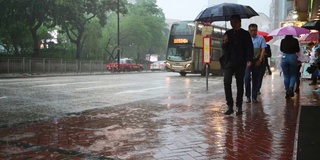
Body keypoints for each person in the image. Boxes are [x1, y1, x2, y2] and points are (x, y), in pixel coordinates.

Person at [221, 15, 254, 115]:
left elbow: (249, 48)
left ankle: (239, 106)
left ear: (239, 22)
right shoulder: (228, 33)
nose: (232, 24)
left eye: (234, 22)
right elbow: (223, 48)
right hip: (229, 62)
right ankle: (229, 105)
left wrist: (249, 59)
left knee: (240, 84)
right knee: (227, 82)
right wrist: (225, 42)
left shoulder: (245, 34)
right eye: (231, 22)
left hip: (240, 62)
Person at [245, 23, 267, 103]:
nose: (253, 32)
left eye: (255, 30)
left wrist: (260, 60)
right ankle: (248, 96)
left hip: (256, 61)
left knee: (256, 79)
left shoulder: (261, 38)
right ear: (249, 30)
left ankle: (254, 96)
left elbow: (263, 49)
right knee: (247, 78)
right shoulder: (246, 39)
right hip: (248, 61)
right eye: (252, 30)